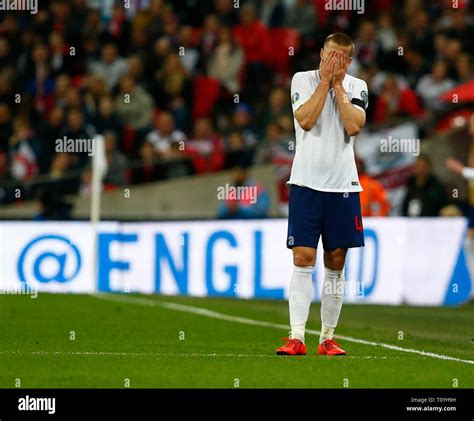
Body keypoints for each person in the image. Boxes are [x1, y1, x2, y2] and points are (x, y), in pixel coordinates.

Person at [277, 33, 368, 357]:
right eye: (331, 55)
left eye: (342, 57)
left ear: (350, 61)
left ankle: (327, 337)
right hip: (305, 183)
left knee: (336, 260)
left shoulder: (357, 87)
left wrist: (338, 86)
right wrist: (324, 83)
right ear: (320, 52)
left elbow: (353, 125)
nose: (335, 62)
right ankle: (297, 336)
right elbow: (305, 118)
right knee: (302, 257)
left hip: (342, 186)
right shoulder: (301, 80)